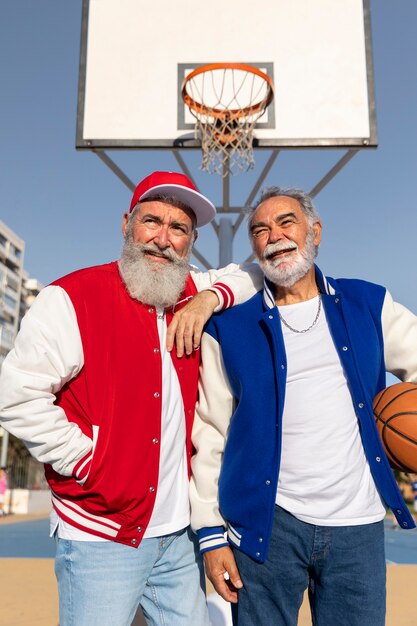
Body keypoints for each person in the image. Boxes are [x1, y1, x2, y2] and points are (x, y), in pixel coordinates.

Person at [0, 171, 262, 626]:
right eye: (151, 222)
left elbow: (253, 272)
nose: (163, 239)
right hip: (99, 533)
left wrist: (209, 300)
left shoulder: (189, 293)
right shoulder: (72, 297)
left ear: (191, 241)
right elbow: (16, 397)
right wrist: (90, 460)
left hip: (175, 537)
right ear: (127, 223)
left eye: (178, 229)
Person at [190, 186, 417, 626]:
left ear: (315, 231)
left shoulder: (368, 303)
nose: (273, 235)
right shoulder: (230, 327)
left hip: (358, 524)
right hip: (265, 527)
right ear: (254, 248)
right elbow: (211, 432)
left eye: (286, 222)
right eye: (260, 229)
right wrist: (211, 534)